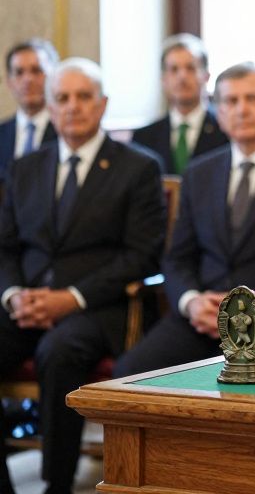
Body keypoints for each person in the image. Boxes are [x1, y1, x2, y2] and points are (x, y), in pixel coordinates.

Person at [0, 58, 165, 494]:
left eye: (83, 97)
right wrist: (15, 293)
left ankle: (56, 482)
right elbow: (7, 246)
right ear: (50, 108)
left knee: (58, 352)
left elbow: (142, 256)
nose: (72, 107)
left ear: (103, 104)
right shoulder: (25, 168)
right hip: (28, 302)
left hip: (99, 307)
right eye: (62, 98)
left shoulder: (138, 167)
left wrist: (71, 297)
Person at [114, 63, 255, 376]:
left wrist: (245, 307)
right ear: (217, 112)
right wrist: (191, 301)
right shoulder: (198, 173)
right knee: (132, 374)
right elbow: (178, 257)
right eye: (230, 102)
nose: (241, 110)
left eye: (253, 99)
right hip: (201, 317)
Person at [132, 33, 229, 174]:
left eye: (190, 68)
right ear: (163, 79)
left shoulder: (226, 131)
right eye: (174, 69)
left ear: (206, 76)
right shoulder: (143, 138)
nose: (182, 77)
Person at [0, 39, 60, 189]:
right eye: (19, 72)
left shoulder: (67, 132)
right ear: (9, 82)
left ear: (55, 77)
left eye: (37, 70)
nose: (28, 79)